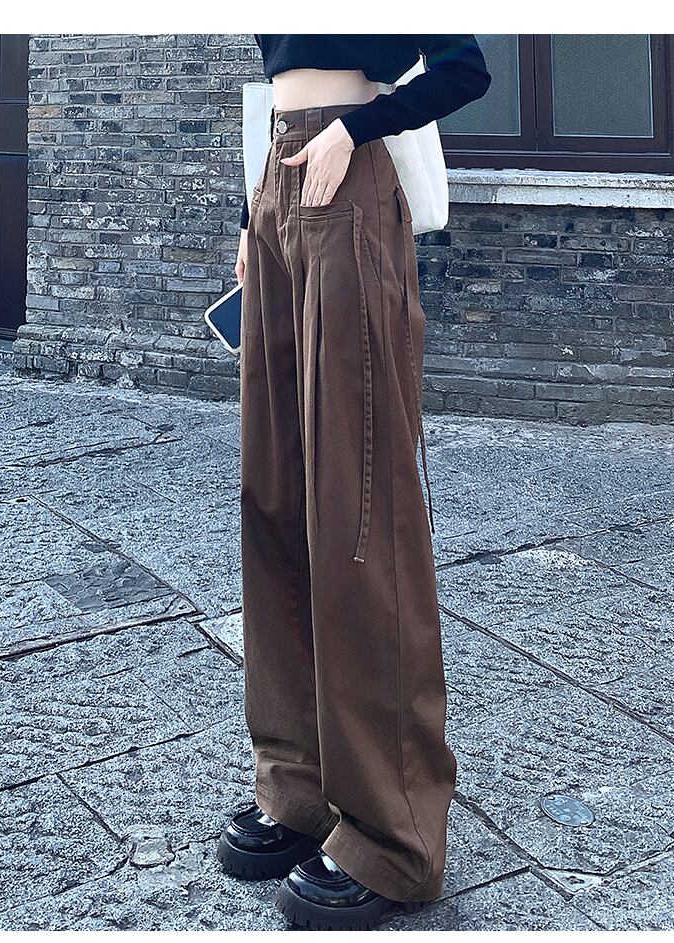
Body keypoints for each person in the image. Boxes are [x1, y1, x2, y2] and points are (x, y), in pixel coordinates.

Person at [218, 35, 491, 931]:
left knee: (361, 508)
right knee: (275, 499)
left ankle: (392, 832)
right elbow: (278, 86)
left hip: (350, 177)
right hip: (279, 184)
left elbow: (464, 69)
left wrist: (356, 130)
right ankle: (297, 789)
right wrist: (254, 211)